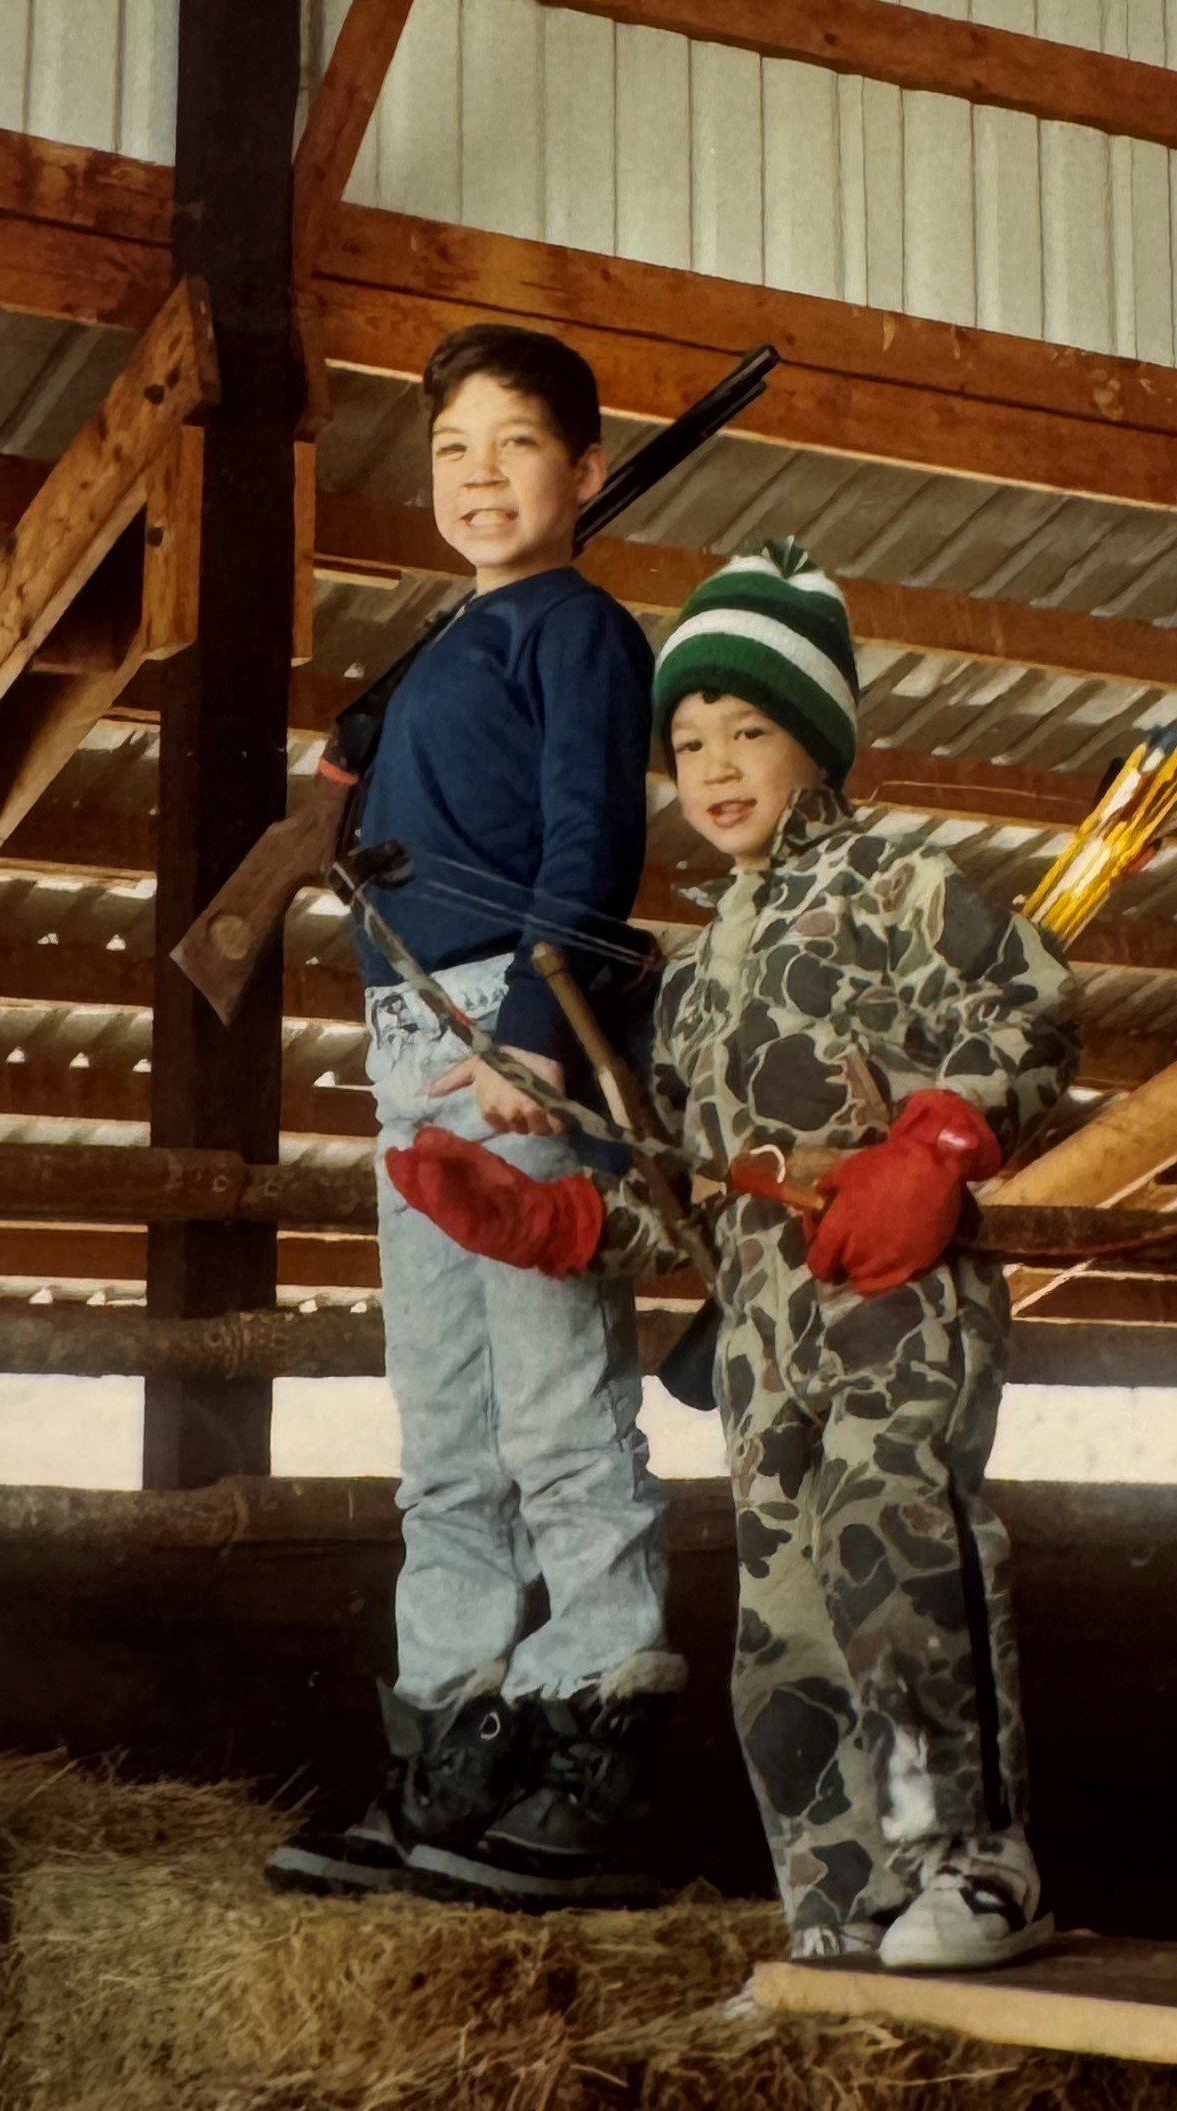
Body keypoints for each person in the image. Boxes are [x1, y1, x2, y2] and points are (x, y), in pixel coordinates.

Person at [382, 541, 1081, 1970]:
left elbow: (1030, 1006)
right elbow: (685, 1197)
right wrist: (553, 1223)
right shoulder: (694, 978)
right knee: (786, 1633)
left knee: (895, 1569)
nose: (714, 764)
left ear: (815, 742)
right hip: (762, 1340)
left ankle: (967, 1865)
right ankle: (839, 1912)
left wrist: (936, 1149)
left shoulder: (897, 881)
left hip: (894, 1305)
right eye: (690, 740)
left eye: (750, 730)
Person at [266, 326, 680, 1911]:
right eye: (452, 448)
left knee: (557, 1408)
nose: (479, 474)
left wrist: (534, 1041)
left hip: (514, 1028)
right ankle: (451, 1748)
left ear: (585, 472)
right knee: (443, 1431)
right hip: (410, 1045)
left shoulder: (578, 630)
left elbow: (589, 838)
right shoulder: (447, 647)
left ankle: (591, 1738)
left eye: (516, 444)